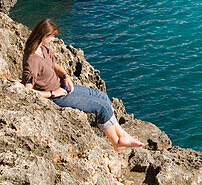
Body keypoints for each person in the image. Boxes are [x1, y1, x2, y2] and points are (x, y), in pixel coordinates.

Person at [22, 18, 144, 151]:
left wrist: (65, 76)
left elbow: (54, 65)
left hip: (62, 86)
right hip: (57, 96)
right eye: (51, 36)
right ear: (43, 35)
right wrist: (52, 93)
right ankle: (116, 142)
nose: (53, 39)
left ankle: (123, 135)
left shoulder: (43, 48)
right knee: (101, 106)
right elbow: (27, 90)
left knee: (102, 96)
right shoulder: (32, 59)